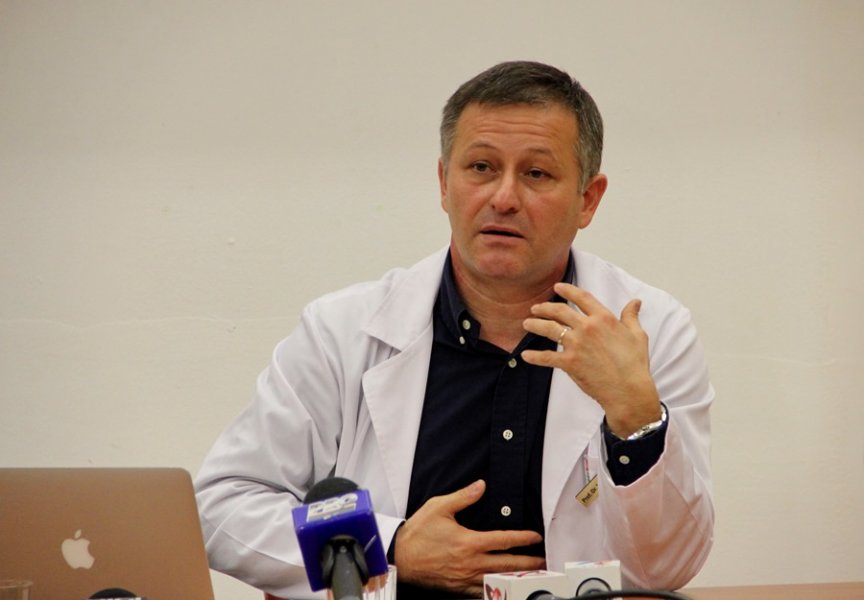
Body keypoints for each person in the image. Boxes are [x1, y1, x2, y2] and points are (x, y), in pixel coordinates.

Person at [194, 61, 714, 599]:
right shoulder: (341, 332)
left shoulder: (650, 331)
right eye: (481, 167)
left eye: (537, 174)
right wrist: (390, 546)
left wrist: (635, 417)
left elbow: (668, 569)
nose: (503, 198)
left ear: (588, 199)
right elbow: (223, 503)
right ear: (445, 183)